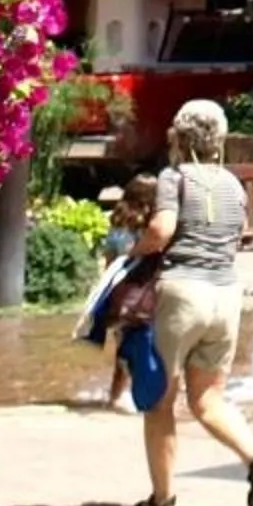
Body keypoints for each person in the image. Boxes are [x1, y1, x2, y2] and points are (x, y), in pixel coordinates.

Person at [134, 99, 253, 506]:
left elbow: (162, 229)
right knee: (209, 399)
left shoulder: (174, 177)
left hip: (183, 294)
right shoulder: (233, 185)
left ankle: (162, 500)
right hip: (225, 296)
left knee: (160, 401)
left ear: (179, 136)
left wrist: (135, 252)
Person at [81, 174, 164, 410]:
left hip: (120, 295)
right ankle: (146, 394)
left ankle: (115, 396)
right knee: (150, 345)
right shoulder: (149, 229)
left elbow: (109, 260)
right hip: (145, 294)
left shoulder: (118, 225)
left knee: (124, 350)